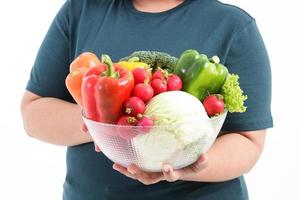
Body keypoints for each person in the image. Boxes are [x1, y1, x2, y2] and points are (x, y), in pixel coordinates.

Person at [20, 0, 273, 199]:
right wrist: (109, 126)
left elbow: (248, 141)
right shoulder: (81, 9)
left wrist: (184, 165)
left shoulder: (233, 25)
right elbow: (33, 114)